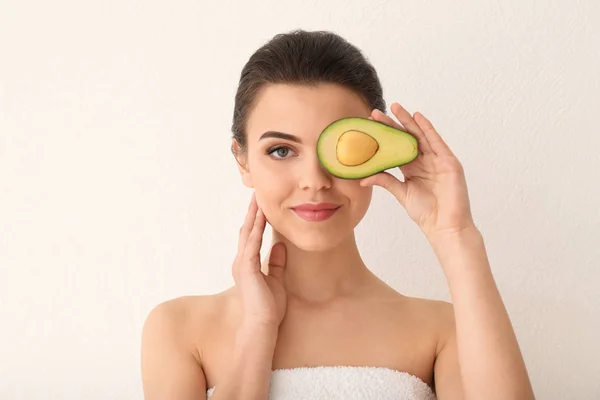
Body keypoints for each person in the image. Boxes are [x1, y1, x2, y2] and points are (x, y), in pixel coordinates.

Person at [140, 29, 535, 400]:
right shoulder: (178, 329)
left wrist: (456, 235)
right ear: (242, 161)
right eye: (281, 150)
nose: (314, 180)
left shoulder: (443, 330)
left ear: (378, 153)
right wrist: (257, 332)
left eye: (343, 148)